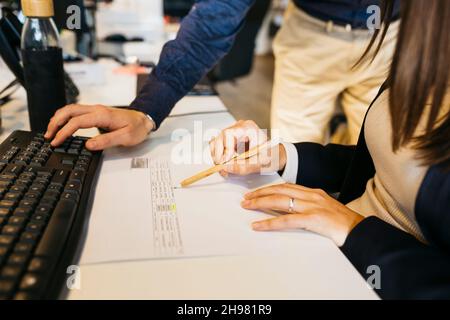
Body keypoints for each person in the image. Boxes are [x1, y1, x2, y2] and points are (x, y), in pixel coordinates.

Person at [209, 0, 450, 299]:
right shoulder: (427, 53)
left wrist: (352, 229)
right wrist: (283, 156)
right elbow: (381, 162)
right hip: (326, 249)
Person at [44, 0, 399, 149]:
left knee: (384, 160)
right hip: (311, 35)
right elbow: (214, 19)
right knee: (293, 157)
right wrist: (147, 109)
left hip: (400, 35)